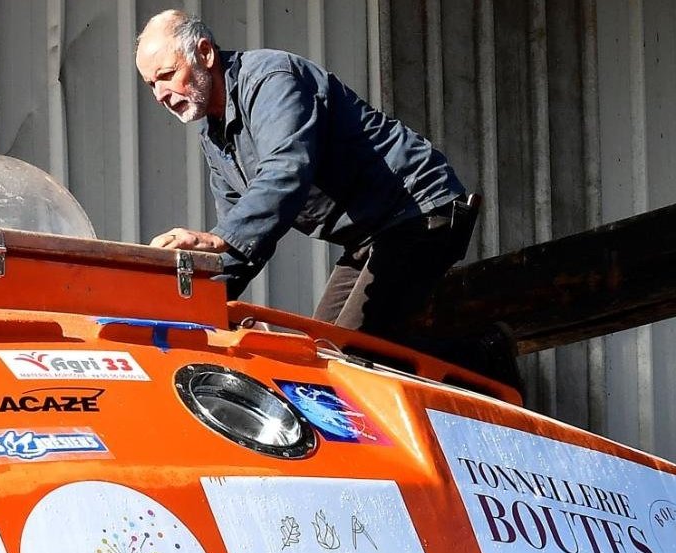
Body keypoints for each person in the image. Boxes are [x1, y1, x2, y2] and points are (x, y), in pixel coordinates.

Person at [135, 10, 476, 349]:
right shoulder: (216, 138)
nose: (160, 94)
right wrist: (186, 308)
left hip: (420, 210)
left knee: (344, 355)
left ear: (205, 54)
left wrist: (216, 239)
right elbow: (245, 240)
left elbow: (287, 169)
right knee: (319, 347)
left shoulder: (271, 80)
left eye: (167, 75)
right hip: (370, 237)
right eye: (151, 84)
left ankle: (483, 353)